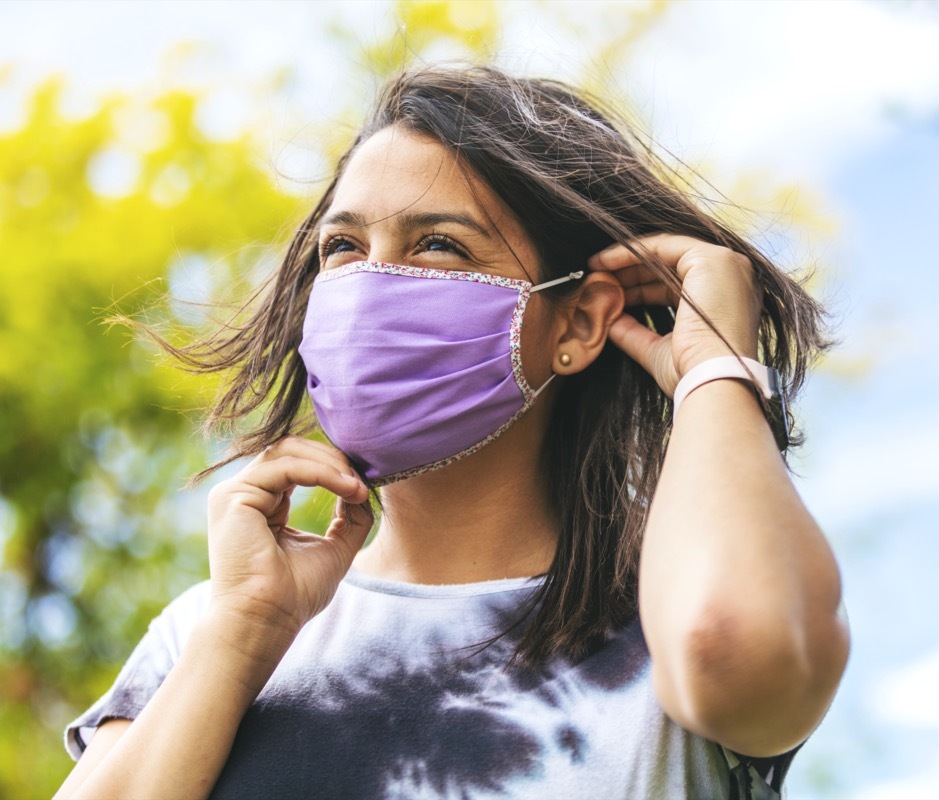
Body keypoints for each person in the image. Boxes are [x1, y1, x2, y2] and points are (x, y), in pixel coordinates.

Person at [55, 65, 849, 800]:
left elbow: (733, 642)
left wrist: (714, 370)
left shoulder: (666, 623)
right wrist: (243, 633)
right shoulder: (212, 627)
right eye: (343, 247)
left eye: (437, 244)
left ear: (575, 320)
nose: (370, 286)